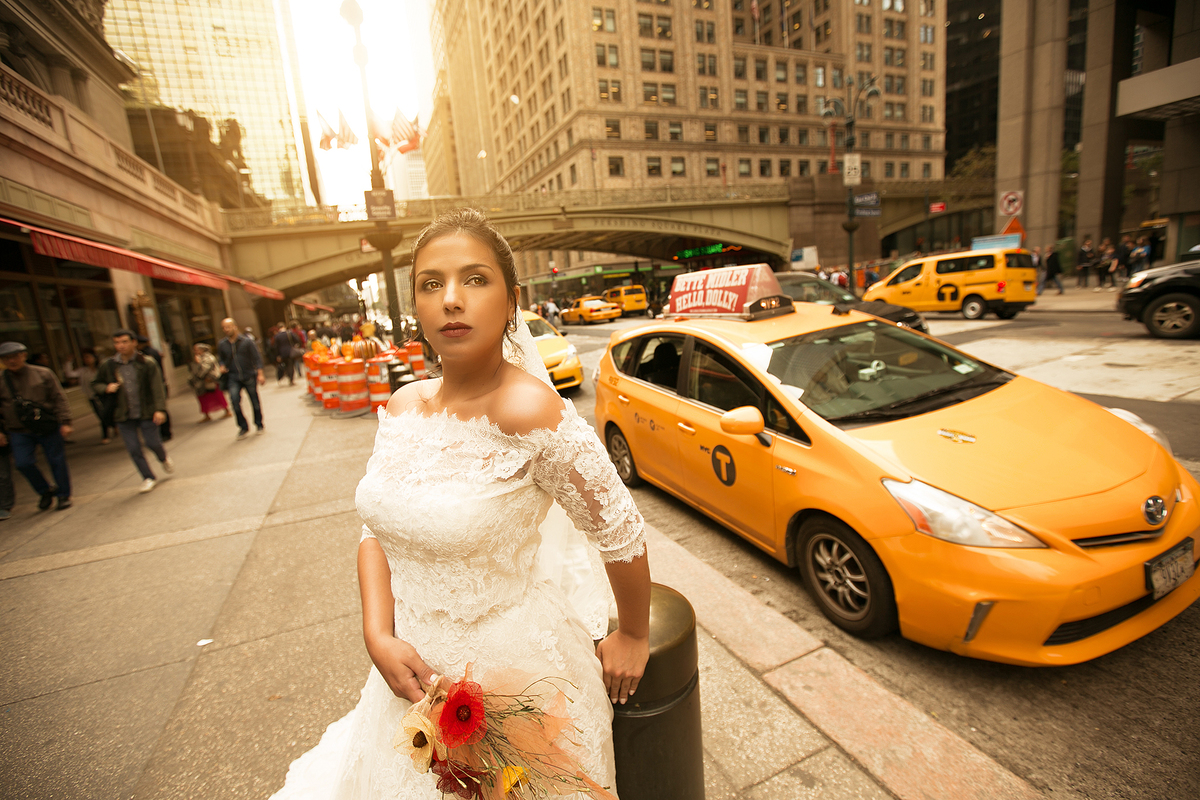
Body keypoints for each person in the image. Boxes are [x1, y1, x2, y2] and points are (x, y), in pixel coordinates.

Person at [270, 209, 650, 799]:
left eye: (475, 279)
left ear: (511, 300)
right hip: (404, 677)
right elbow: (375, 530)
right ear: (416, 308)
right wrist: (378, 634)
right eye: (431, 284)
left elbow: (620, 532)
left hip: (514, 674)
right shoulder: (401, 407)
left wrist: (634, 633)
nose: (452, 299)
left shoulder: (533, 414)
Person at [94, 330, 173, 494]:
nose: (120, 346)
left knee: (153, 443)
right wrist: (105, 387)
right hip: (123, 414)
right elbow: (95, 383)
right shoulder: (109, 365)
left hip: (146, 411)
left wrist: (160, 409)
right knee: (133, 448)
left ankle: (163, 457)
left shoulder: (147, 363)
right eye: (117, 343)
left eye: (124, 342)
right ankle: (148, 477)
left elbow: (157, 388)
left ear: (134, 343)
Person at [0, 341, 73, 510]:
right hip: (19, 430)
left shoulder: (42, 373)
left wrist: (66, 422)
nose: (12, 361)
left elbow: (59, 398)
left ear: (23, 356)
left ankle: (63, 495)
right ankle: (44, 490)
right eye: (7, 358)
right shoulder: (2, 380)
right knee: (22, 463)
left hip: (47, 426)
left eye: (15, 356)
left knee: (57, 461)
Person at [217, 318, 265, 440]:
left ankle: (259, 424)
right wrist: (222, 365)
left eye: (228, 327)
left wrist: (260, 374)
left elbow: (257, 358)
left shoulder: (247, 342)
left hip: (248, 375)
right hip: (233, 377)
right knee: (234, 401)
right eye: (223, 328)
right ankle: (243, 427)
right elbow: (221, 358)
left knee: (254, 401)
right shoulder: (222, 344)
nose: (225, 330)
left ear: (235, 327)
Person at [65, 349, 115, 443]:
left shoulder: (100, 368)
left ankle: (107, 433)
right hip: (91, 396)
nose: (87, 360)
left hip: (103, 394)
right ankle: (111, 428)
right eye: (85, 358)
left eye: (88, 357)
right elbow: (70, 374)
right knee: (101, 415)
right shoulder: (83, 371)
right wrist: (69, 362)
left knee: (105, 413)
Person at [137, 335, 173, 442]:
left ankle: (165, 432)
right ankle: (164, 432)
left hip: (155, 382)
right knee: (160, 407)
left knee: (160, 407)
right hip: (159, 380)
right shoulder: (153, 351)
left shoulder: (148, 355)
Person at [188, 343, 230, 422]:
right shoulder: (200, 358)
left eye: (196, 350)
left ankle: (227, 411)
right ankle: (206, 415)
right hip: (203, 382)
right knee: (203, 398)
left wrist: (198, 363)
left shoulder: (208, 357)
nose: (195, 351)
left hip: (210, 380)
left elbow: (204, 369)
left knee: (218, 396)